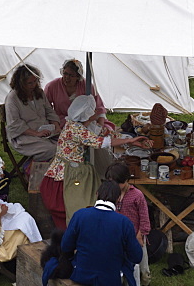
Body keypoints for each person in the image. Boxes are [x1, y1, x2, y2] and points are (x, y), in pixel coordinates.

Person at [40, 95, 151, 230]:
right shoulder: (77, 130)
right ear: (86, 114)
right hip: (70, 173)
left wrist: (98, 123)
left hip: (66, 167)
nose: (95, 112)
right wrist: (130, 140)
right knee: (76, 204)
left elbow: (94, 131)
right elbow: (103, 142)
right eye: (92, 111)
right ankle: (77, 231)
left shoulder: (73, 124)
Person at [61, 180, 143, 286]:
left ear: (96, 194)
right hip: (110, 279)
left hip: (81, 273)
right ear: (118, 198)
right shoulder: (124, 223)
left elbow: (65, 246)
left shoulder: (80, 215)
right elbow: (137, 256)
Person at [106, 161, 157, 286]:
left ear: (127, 180)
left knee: (143, 268)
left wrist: (140, 235)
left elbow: (144, 218)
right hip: (117, 239)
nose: (115, 186)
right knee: (123, 268)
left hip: (136, 237)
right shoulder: (110, 195)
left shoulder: (137, 195)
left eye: (118, 183)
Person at [4, 64, 60, 162]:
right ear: (21, 84)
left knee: (67, 143)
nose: (33, 85)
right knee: (53, 150)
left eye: (35, 81)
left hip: (46, 131)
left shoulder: (39, 92)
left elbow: (49, 111)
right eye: (30, 83)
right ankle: (30, 166)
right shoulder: (12, 98)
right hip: (24, 136)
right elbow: (15, 124)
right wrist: (36, 133)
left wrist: (56, 126)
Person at [45, 59, 108, 131]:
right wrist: (56, 125)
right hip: (61, 121)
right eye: (65, 73)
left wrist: (100, 125)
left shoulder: (87, 86)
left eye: (71, 75)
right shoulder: (52, 86)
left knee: (104, 132)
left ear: (78, 77)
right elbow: (46, 108)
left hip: (86, 120)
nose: (67, 78)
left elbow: (99, 107)